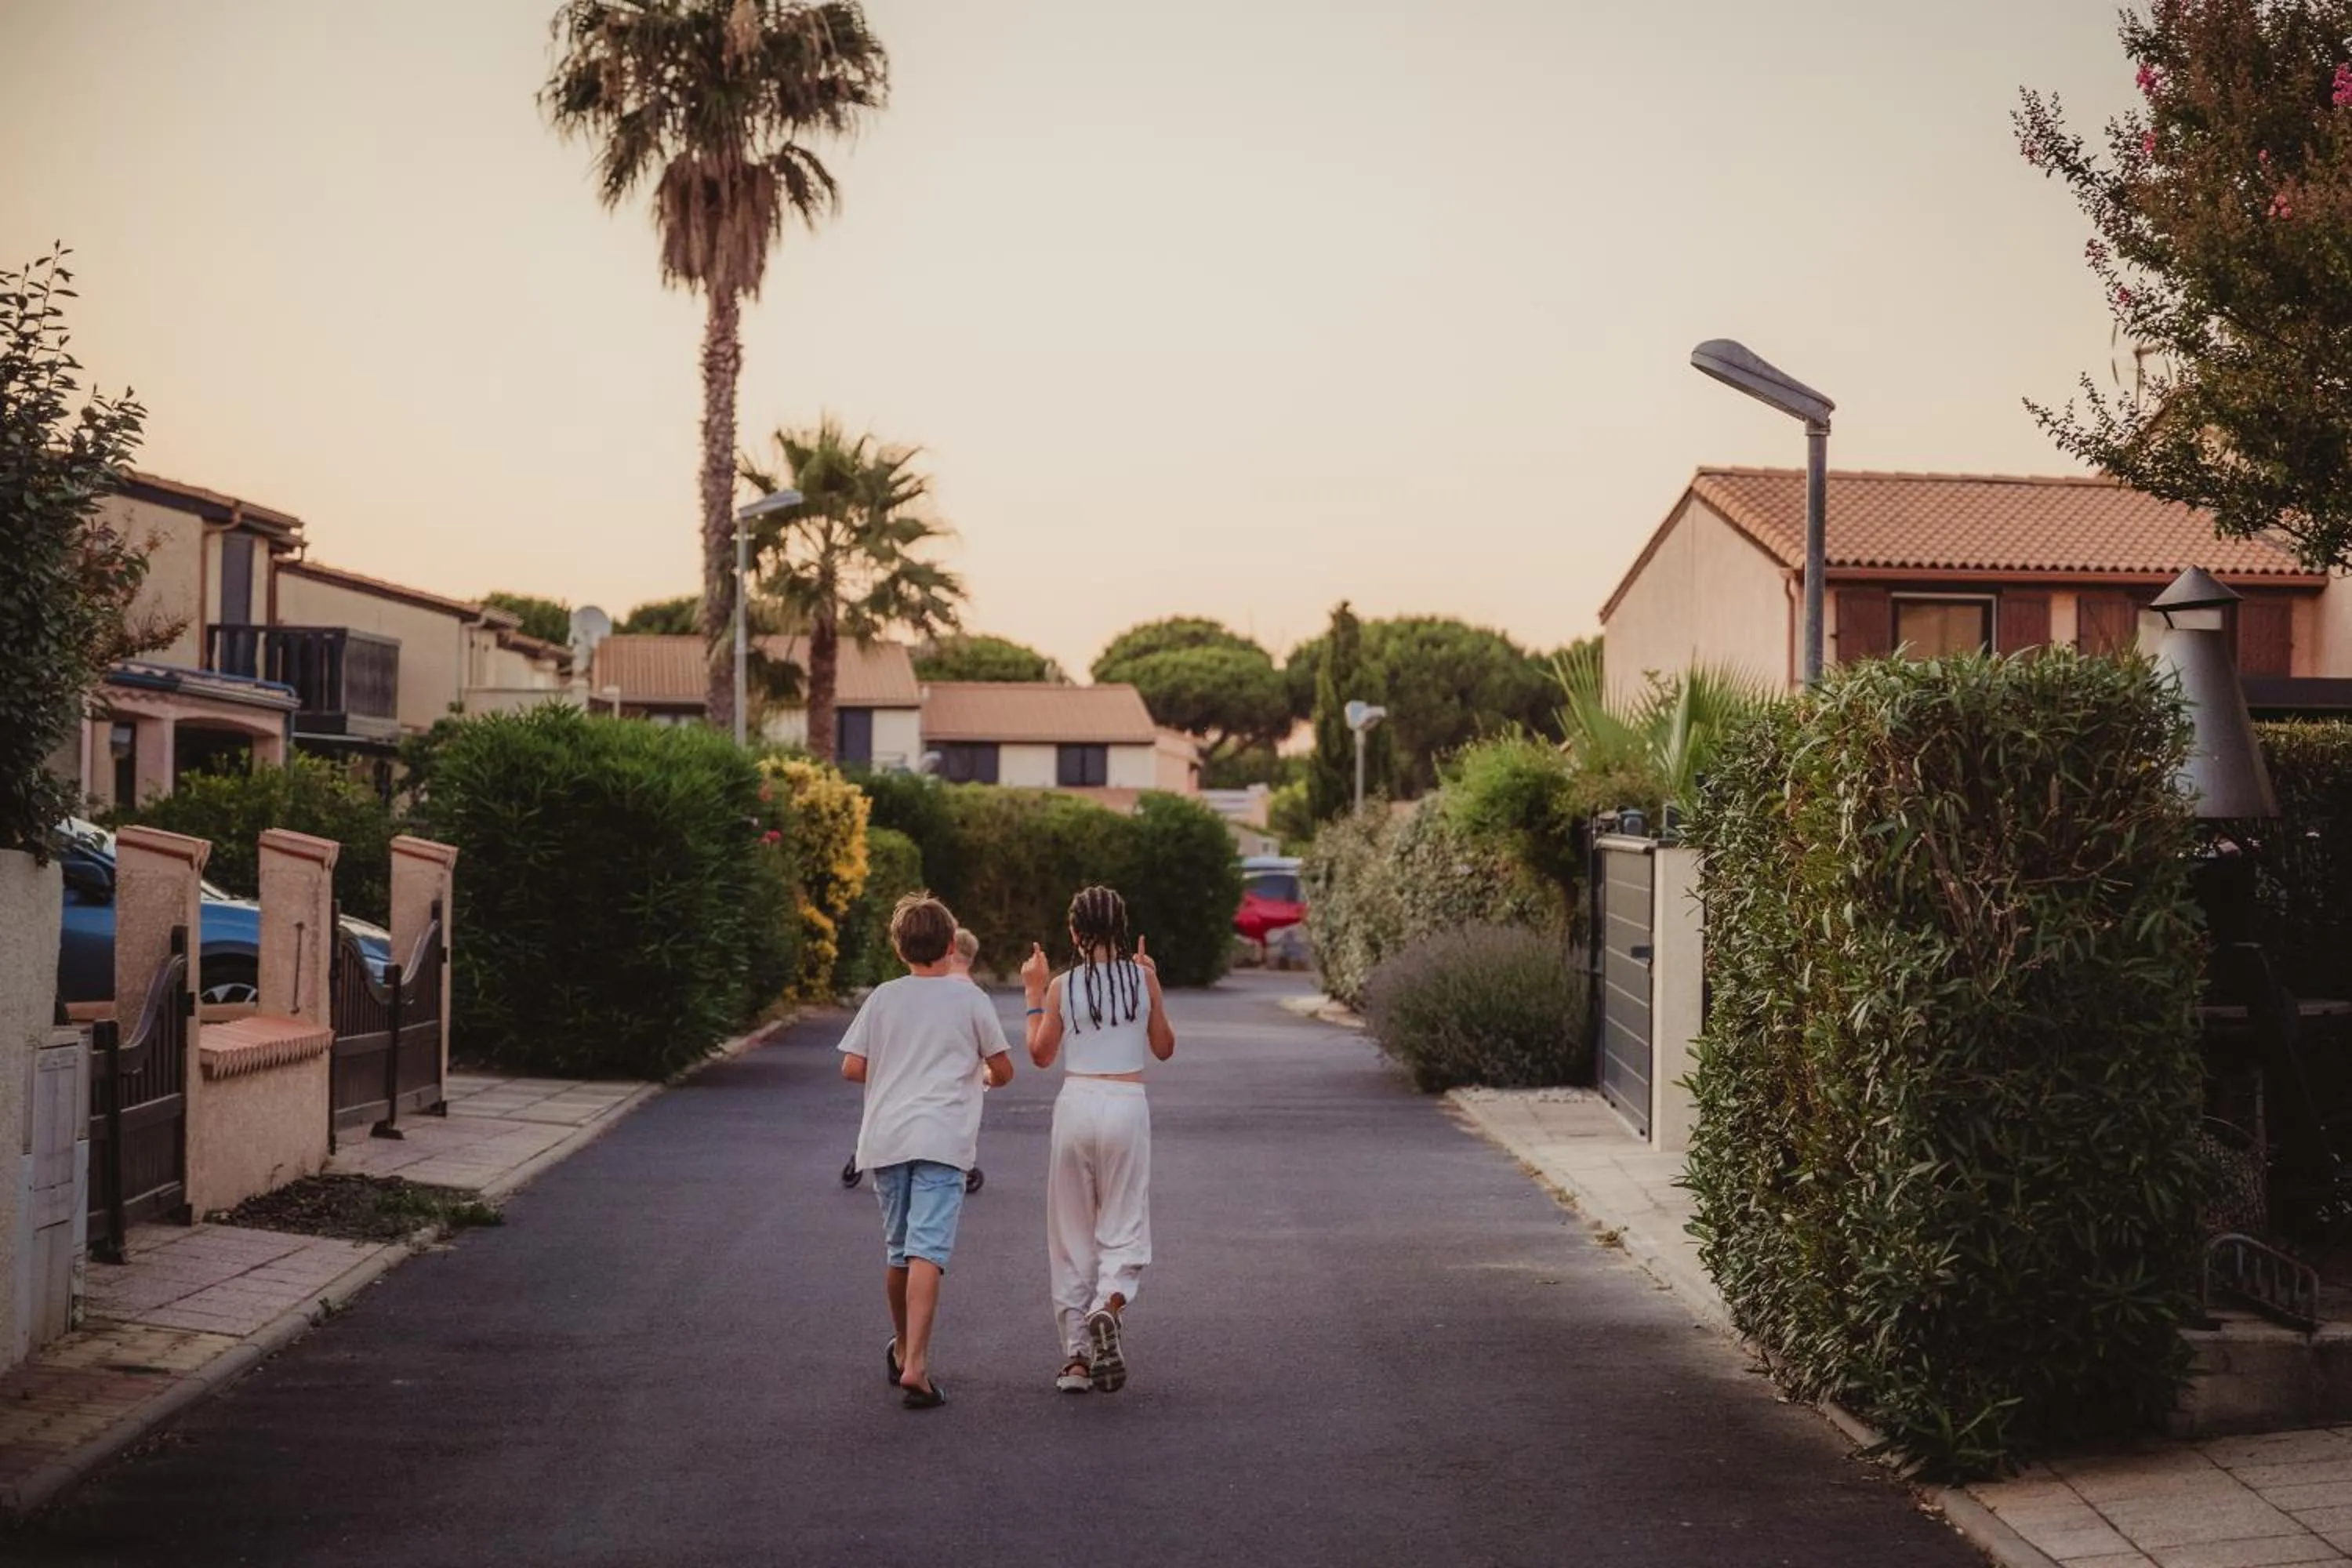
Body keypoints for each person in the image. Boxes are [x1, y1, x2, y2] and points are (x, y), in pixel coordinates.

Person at [841, 893, 1014, 1410]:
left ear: (900, 949)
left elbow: (852, 1066)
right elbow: (1003, 1069)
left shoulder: (884, 997)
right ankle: (917, 1364)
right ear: (951, 947)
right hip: (942, 1138)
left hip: (887, 1137)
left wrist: (897, 1072)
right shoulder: (971, 1000)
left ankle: (900, 1349)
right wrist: (979, 1073)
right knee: (927, 1253)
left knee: (899, 1252)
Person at [1021, 885, 1177, 1395]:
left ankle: (1075, 1361)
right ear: (1121, 928)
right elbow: (1164, 1047)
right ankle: (1107, 1303)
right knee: (1124, 1220)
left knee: (1070, 1232)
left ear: (1074, 932)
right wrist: (1152, 983)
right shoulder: (1142, 979)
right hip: (1126, 1104)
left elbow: (1041, 1055)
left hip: (1076, 1105)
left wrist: (1033, 993)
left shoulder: (1062, 987)